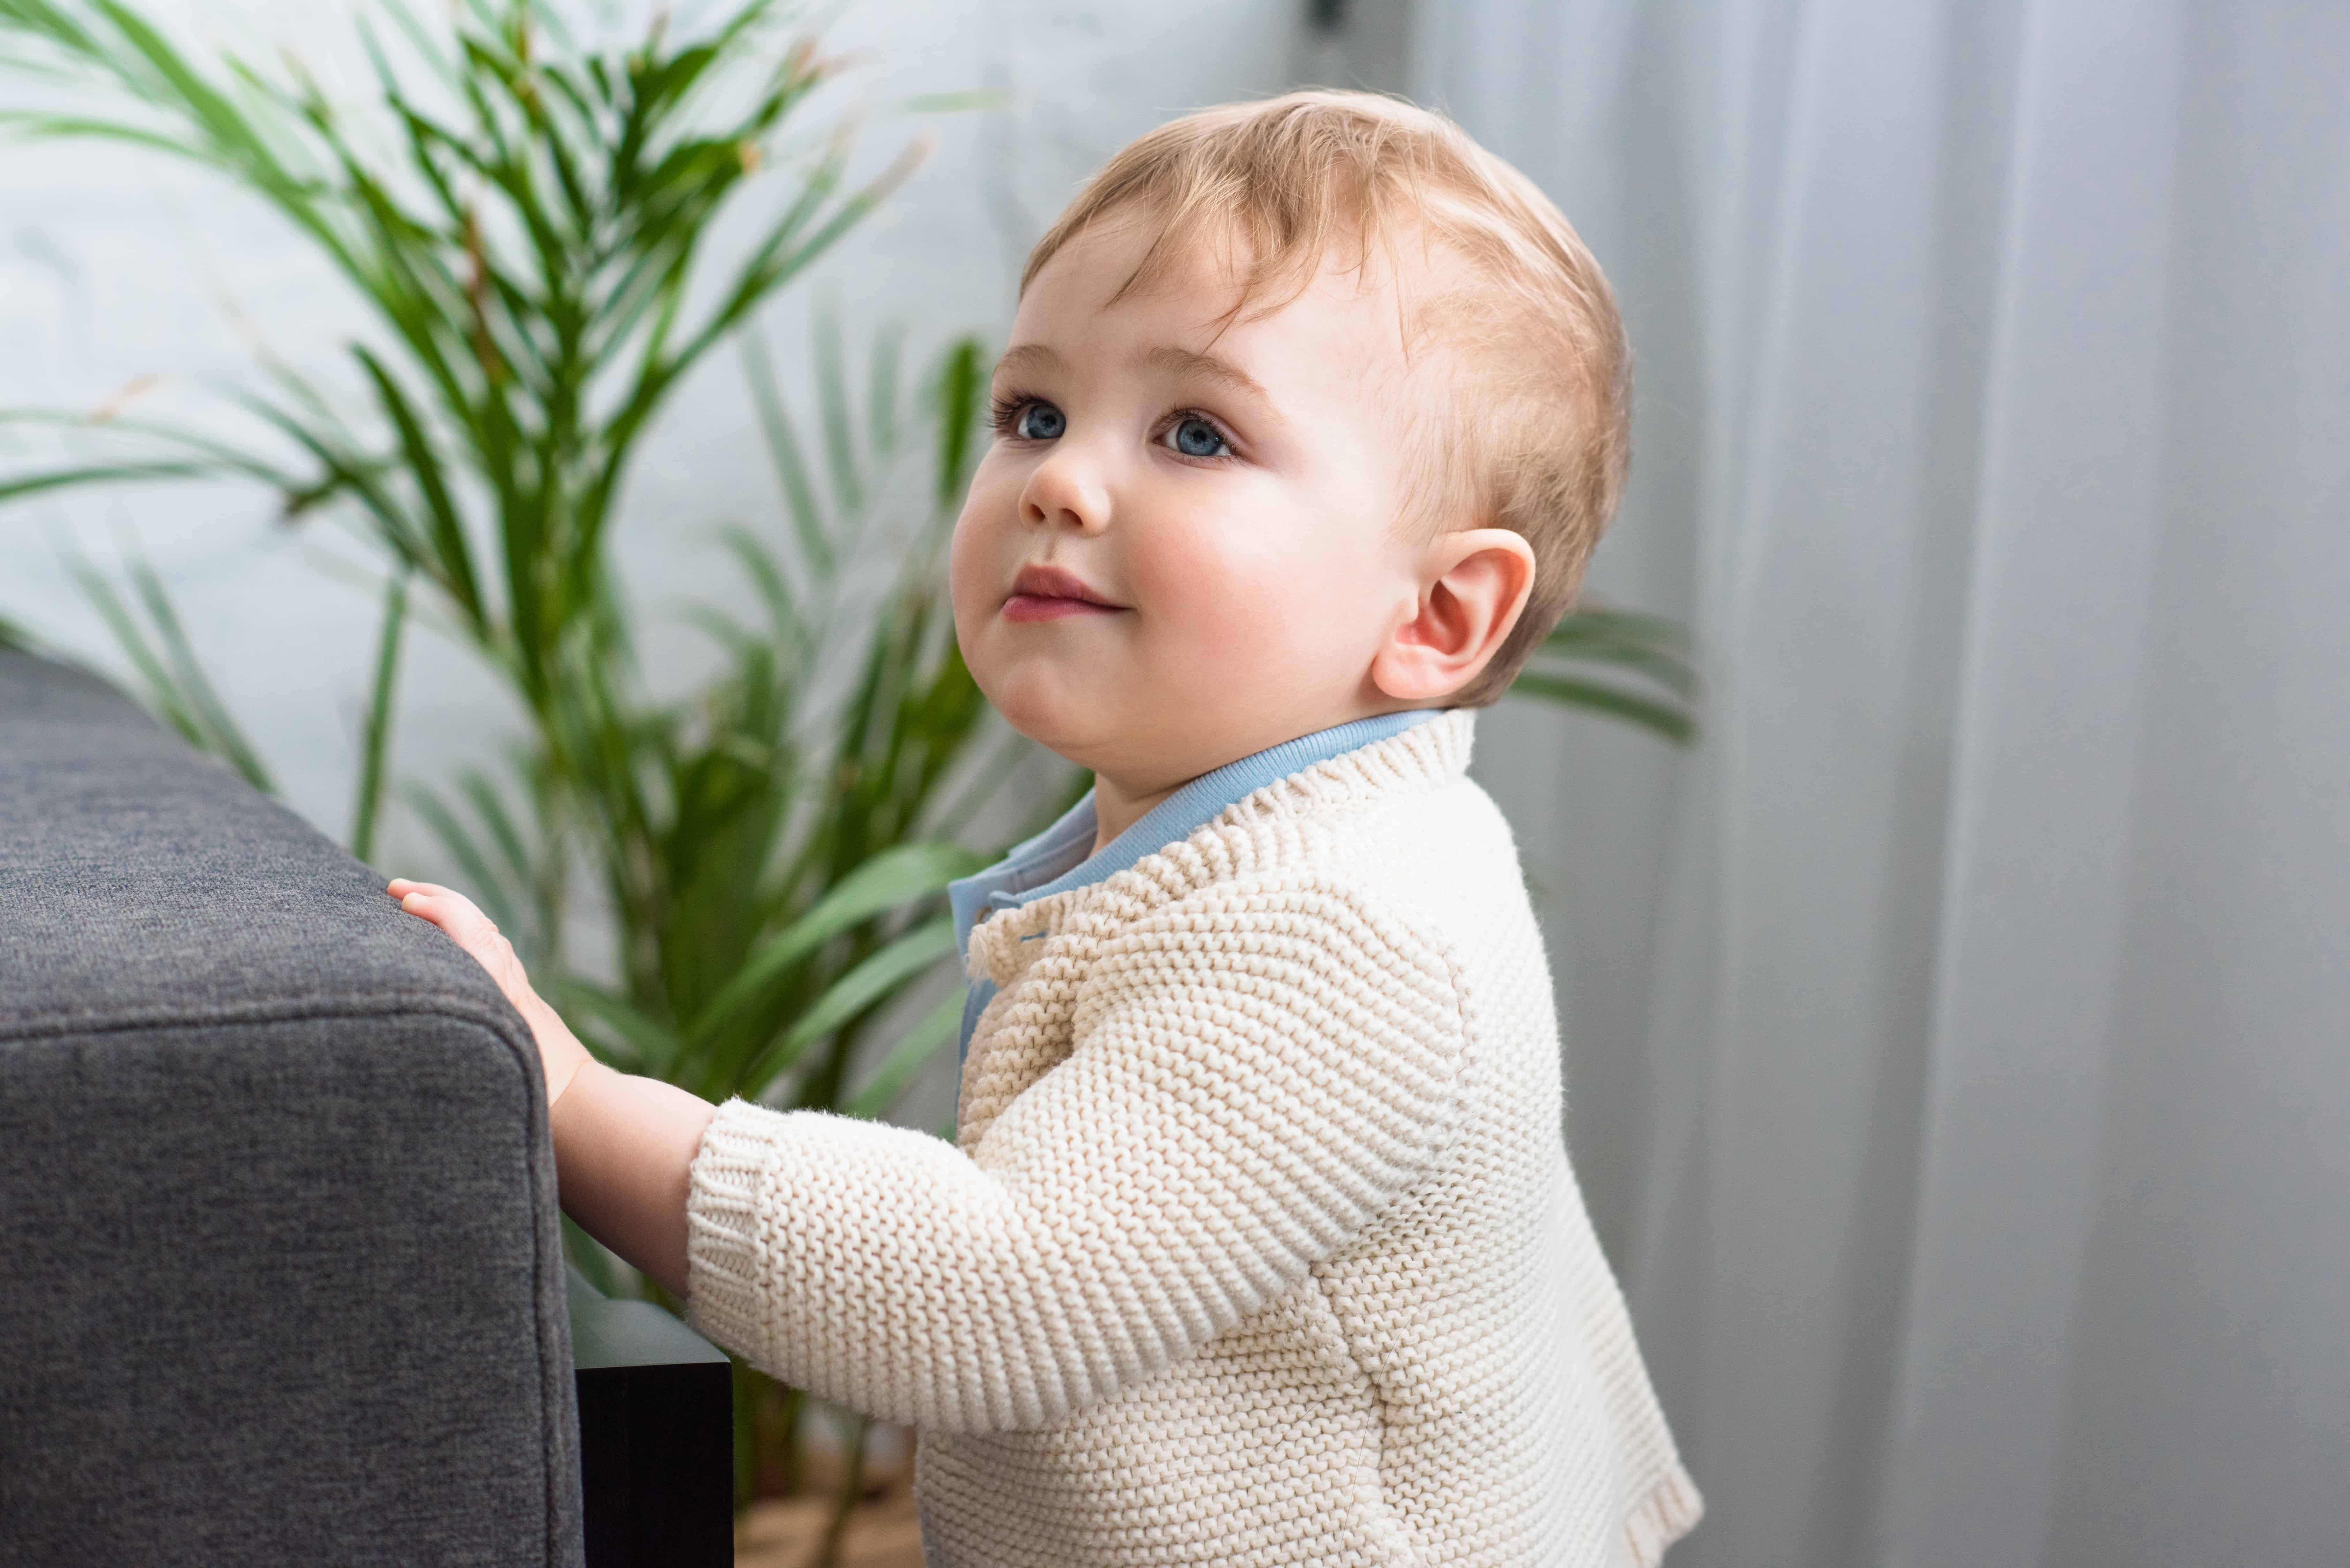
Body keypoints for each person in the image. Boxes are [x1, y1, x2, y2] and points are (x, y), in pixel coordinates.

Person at [391, 89, 1700, 1566]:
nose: (1060, 481)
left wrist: (568, 1104)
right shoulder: (1324, 836)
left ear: (1439, 612)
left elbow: (986, 1293)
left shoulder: (1342, 931)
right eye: (1031, 411)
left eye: (1197, 432)